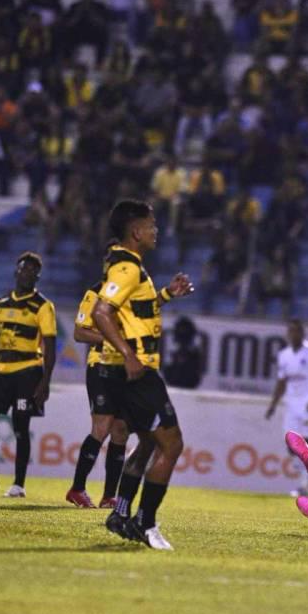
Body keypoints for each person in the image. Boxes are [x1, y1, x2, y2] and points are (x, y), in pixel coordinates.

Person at [93, 200, 195, 550]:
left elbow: (132, 312)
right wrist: (128, 355)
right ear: (136, 232)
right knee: (172, 444)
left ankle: (121, 513)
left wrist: (166, 294)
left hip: (127, 372)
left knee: (150, 442)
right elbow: (101, 312)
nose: (156, 230)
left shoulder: (132, 267)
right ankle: (145, 523)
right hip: (136, 372)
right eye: (151, 225)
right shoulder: (127, 268)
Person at [0, 252, 56, 499]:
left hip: (27, 373)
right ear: (16, 272)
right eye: (23, 269)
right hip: (0, 373)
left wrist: (45, 382)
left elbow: (50, 348)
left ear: (37, 276)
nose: (26, 273)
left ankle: (18, 484)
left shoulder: (43, 306)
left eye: (32, 271)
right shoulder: (2, 302)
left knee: (21, 425)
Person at [65, 273, 130, 509]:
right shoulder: (95, 292)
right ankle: (77, 489)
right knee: (101, 427)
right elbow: (80, 332)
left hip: (124, 368)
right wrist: (112, 338)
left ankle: (109, 496)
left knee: (121, 430)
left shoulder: (131, 292)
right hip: (100, 365)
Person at [265, 319, 308, 497]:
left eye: (297, 331)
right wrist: (273, 405)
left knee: (307, 443)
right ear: (287, 334)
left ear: (303, 334)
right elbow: (281, 381)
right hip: (291, 405)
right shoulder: (284, 355)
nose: (294, 334)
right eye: (291, 331)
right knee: (291, 445)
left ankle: (305, 484)